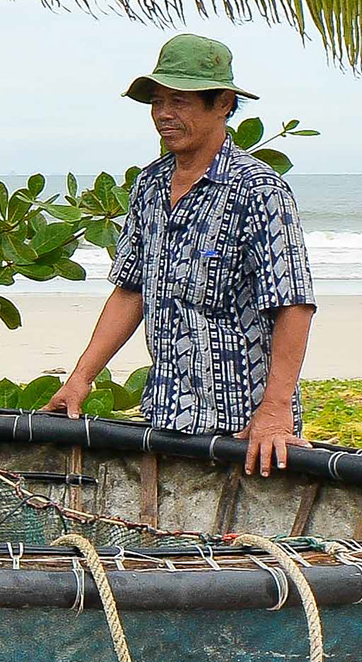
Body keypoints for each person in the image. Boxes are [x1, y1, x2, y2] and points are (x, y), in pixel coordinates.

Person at [54, 34, 314, 475]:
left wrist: (274, 411)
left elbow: (293, 305)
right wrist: (79, 379)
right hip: (167, 415)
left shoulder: (259, 189)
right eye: (157, 101)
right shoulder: (149, 185)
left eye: (180, 101)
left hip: (245, 430)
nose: (164, 115)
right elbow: (130, 291)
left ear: (224, 104)